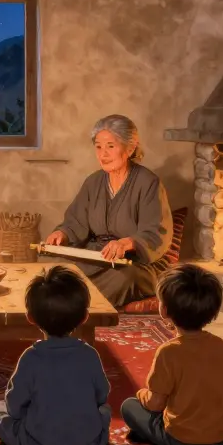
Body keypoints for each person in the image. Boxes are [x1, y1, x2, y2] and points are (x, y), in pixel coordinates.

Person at [44, 115, 173, 307]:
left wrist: (127, 243)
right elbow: (75, 222)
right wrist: (62, 233)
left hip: (134, 263)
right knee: (58, 268)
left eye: (110, 146)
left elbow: (155, 233)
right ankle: (69, 305)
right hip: (97, 256)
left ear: (130, 148)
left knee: (124, 278)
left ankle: (78, 309)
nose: (103, 154)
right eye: (98, 147)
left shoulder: (148, 183)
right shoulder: (93, 182)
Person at [0, 266, 111, 445]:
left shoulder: (30, 358)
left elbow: (14, 408)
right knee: (104, 411)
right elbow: (102, 397)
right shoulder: (90, 355)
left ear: (30, 318)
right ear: (84, 317)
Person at [120, 264, 223, 445]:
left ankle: (155, 436)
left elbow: (155, 404)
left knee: (129, 406)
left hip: (184, 443)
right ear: (213, 311)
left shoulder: (169, 352)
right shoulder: (220, 345)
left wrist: (142, 394)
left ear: (164, 310)